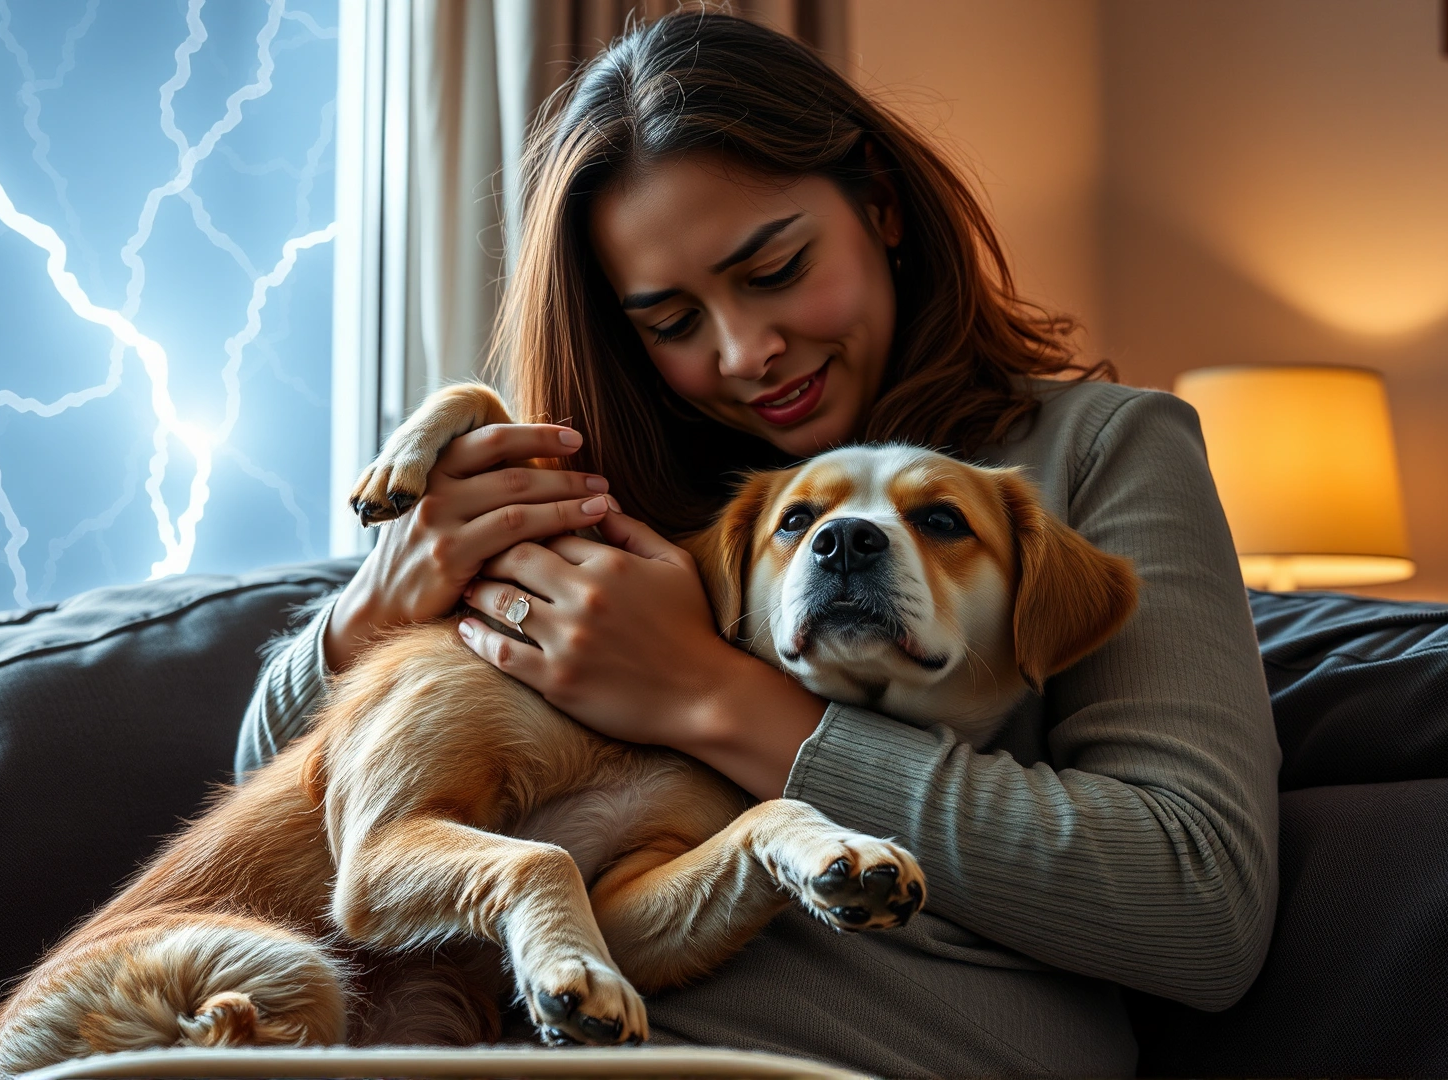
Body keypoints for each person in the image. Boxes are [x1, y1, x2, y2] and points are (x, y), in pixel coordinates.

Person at [237, 12, 1278, 1077]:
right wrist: (376, 607)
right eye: (673, 323)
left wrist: (707, 698)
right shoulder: (611, 497)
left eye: (776, 269)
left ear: (879, 203)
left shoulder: (1096, 453)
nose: (746, 353)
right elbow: (293, 818)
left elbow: (1198, 903)